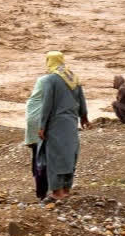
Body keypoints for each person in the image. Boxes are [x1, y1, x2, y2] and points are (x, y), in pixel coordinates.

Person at [38, 51, 88, 200]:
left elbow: (46, 105)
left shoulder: (50, 80)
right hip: (71, 123)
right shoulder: (73, 77)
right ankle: (66, 189)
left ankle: (57, 192)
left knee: (54, 157)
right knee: (69, 155)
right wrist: (84, 117)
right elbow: (82, 99)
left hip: (56, 123)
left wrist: (42, 126)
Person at [24, 72, 52, 200]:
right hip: (41, 132)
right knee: (43, 161)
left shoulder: (32, 101)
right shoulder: (45, 103)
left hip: (33, 135)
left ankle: (40, 192)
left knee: (36, 159)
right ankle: (43, 192)